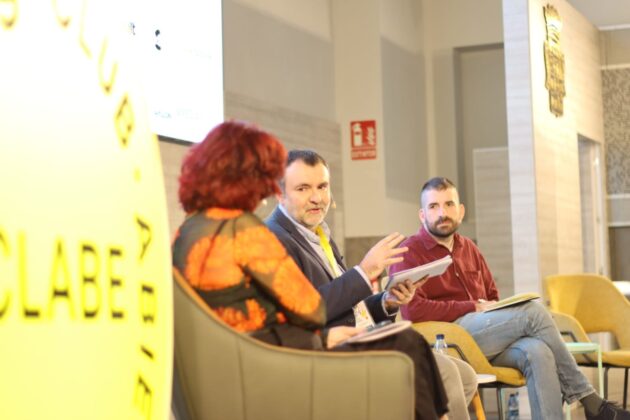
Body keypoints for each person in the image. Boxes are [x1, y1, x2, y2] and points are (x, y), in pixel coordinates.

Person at [171, 121, 449, 420]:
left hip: (233, 366)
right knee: (407, 344)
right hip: (271, 364)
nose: (266, 190)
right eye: (263, 177)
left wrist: (383, 303)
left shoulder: (187, 231)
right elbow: (311, 309)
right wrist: (325, 334)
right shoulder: (245, 231)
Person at [390, 176, 630, 420]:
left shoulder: (469, 248)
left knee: (539, 351)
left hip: (485, 338)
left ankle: (584, 408)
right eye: (434, 206)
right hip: (449, 342)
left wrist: (492, 312)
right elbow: (413, 310)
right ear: (422, 215)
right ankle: (591, 401)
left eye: (449, 204)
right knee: (533, 312)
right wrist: (470, 306)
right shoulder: (409, 252)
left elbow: (492, 296)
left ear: (460, 211)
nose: (443, 213)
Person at [266, 150, 478, 420]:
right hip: (328, 352)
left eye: (322, 186)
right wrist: (364, 272)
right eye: (303, 188)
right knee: (443, 372)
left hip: (363, 334)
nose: (317, 197)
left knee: (466, 376)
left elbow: (348, 304)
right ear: (279, 194)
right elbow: (306, 309)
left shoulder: (318, 233)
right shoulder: (274, 239)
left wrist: (386, 302)